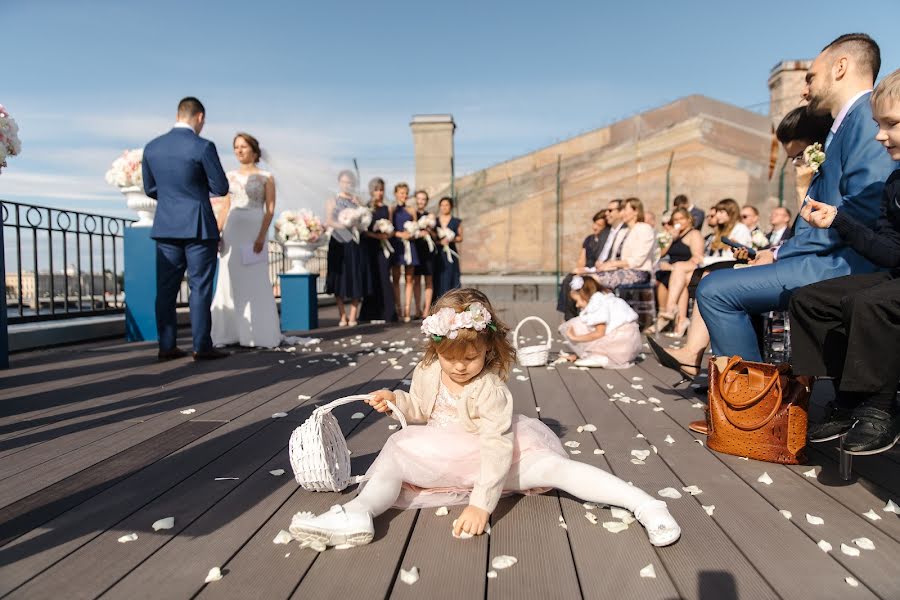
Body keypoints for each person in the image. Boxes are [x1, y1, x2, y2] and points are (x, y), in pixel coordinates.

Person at [289, 288, 680, 548]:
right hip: (446, 456)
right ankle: (359, 514)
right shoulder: (429, 368)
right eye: (450, 358)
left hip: (501, 455)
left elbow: (496, 445)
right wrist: (396, 400)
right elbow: (422, 410)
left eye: (470, 358)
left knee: (557, 470)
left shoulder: (490, 389)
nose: (459, 367)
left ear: (488, 348)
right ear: (435, 347)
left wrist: (481, 505)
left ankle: (644, 503)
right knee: (393, 463)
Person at [695, 33, 897, 363]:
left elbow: (862, 208)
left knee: (716, 290)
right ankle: (749, 393)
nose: (805, 90)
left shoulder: (863, 117)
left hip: (847, 261)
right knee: (718, 282)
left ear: (840, 67)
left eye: (810, 77)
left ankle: (751, 404)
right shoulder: (846, 124)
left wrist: (781, 253)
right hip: (831, 255)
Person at [789, 68, 900, 455]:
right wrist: (840, 220)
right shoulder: (894, 184)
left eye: (891, 124)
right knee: (809, 300)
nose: (879, 135)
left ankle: (880, 409)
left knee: (868, 303)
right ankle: (848, 400)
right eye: (877, 124)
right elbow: (890, 251)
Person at [142, 97, 229, 361]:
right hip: (198, 225)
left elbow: (150, 189)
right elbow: (221, 187)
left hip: (167, 225)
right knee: (199, 287)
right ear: (199, 117)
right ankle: (201, 346)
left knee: (166, 289)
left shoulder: (152, 147)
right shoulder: (202, 146)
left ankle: (166, 346)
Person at [210, 132, 281, 348]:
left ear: (254, 150)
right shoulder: (229, 176)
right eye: (236, 147)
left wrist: (261, 236)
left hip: (254, 228)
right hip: (232, 229)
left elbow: (270, 210)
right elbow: (224, 206)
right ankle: (229, 333)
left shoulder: (267, 177)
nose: (239, 151)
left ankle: (257, 334)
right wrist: (217, 233)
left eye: (243, 146)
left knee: (255, 278)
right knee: (228, 278)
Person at [559, 275, 642, 368]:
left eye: (577, 301)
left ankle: (601, 357)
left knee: (576, 324)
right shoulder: (605, 298)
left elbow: (599, 333)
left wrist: (574, 338)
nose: (577, 305)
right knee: (582, 322)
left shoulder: (597, 303)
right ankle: (597, 354)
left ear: (584, 295)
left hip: (619, 341)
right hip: (629, 341)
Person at [647, 207, 704, 337]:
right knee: (675, 278)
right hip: (675, 273)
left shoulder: (694, 234)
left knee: (678, 270)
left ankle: (669, 310)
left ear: (689, 219)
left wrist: (676, 267)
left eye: (681, 219)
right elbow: (660, 254)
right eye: (676, 219)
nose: (679, 222)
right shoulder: (673, 235)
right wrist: (670, 239)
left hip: (689, 268)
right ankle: (681, 322)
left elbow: (697, 258)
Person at [325, 170, 370, 327]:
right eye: (344, 182)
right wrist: (343, 225)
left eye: (350, 182)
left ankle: (353, 315)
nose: (347, 185)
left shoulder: (357, 201)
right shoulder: (333, 200)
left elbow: (365, 221)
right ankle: (342, 315)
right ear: (339, 182)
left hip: (354, 243)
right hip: (338, 243)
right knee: (339, 278)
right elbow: (329, 221)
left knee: (355, 276)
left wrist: (359, 209)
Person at [590, 197, 655, 289]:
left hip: (638, 272)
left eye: (625, 209)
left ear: (635, 211)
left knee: (595, 280)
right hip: (618, 271)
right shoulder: (622, 232)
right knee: (584, 279)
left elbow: (637, 261)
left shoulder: (644, 229)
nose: (622, 213)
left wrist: (613, 264)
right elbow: (614, 257)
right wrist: (604, 265)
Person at [556, 210, 609, 320]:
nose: (595, 227)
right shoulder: (589, 239)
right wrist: (578, 271)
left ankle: (573, 317)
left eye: (599, 225)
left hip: (595, 271)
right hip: (585, 270)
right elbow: (581, 259)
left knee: (577, 282)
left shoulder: (606, 241)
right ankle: (569, 316)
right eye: (594, 223)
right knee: (568, 280)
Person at [359, 177, 397, 323]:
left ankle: (388, 313)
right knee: (371, 277)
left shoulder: (388, 208)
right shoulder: (366, 207)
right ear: (371, 191)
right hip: (369, 248)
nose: (379, 193)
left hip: (383, 248)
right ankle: (369, 313)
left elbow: (392, 229)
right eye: (376, 190)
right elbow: (363, 230)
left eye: (381, 190)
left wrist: (386, 233)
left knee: (384, 277)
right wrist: (376, 235)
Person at [390, 182, 419, 322]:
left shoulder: (411, 210)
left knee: (409, 278)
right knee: (395, 278)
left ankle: (407, 309)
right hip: (397, 246)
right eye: (401, 192)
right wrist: (400, 235)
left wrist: (411, 234)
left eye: (406, 193)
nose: (404, 195)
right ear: (396, 194)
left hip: (410, 246)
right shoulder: (392, 209)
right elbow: (389, 228)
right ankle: (398, 308)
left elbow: (416, 228)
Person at [412, 189, 437, 318]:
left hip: (428, 251)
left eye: (423, 199)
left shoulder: (431, 216)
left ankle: (426, 309)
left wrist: (428, 230)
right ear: (416, 200)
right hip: (415, 250)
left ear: (426, 201)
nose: (421, 201)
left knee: (428, 280)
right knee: (416, 280)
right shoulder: (412, 214)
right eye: (419, 198)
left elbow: (436, 235)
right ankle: (416, 308)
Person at [434, 196, 463, 299]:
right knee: (438, 277)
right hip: (438, 253)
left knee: (451, 276)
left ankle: (453, 301)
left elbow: (460, 237)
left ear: (451, 206)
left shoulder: (456, 221)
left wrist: (451, 239)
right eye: (442, 205)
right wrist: (439, 241)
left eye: (447, 205)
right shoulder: (435, 221)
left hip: (451, 253)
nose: (444, 207)